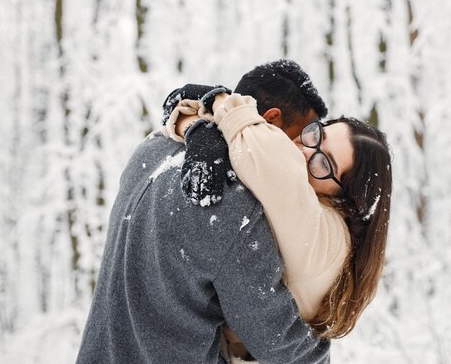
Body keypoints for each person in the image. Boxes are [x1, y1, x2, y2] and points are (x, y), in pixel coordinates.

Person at [75, 61, 331, 363]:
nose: (303, 156)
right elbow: (279, 342)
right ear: (272, 121)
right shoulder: (228, 199)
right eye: (302, 138)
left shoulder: (151, 150)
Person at [167, 66, 392, 362]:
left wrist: (221, 101)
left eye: (325, 164)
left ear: (347, 199)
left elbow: (269, 156)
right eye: (317, 134)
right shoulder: (312, 208)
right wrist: (194, 126)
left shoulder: (330, 238)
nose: (305, 150)